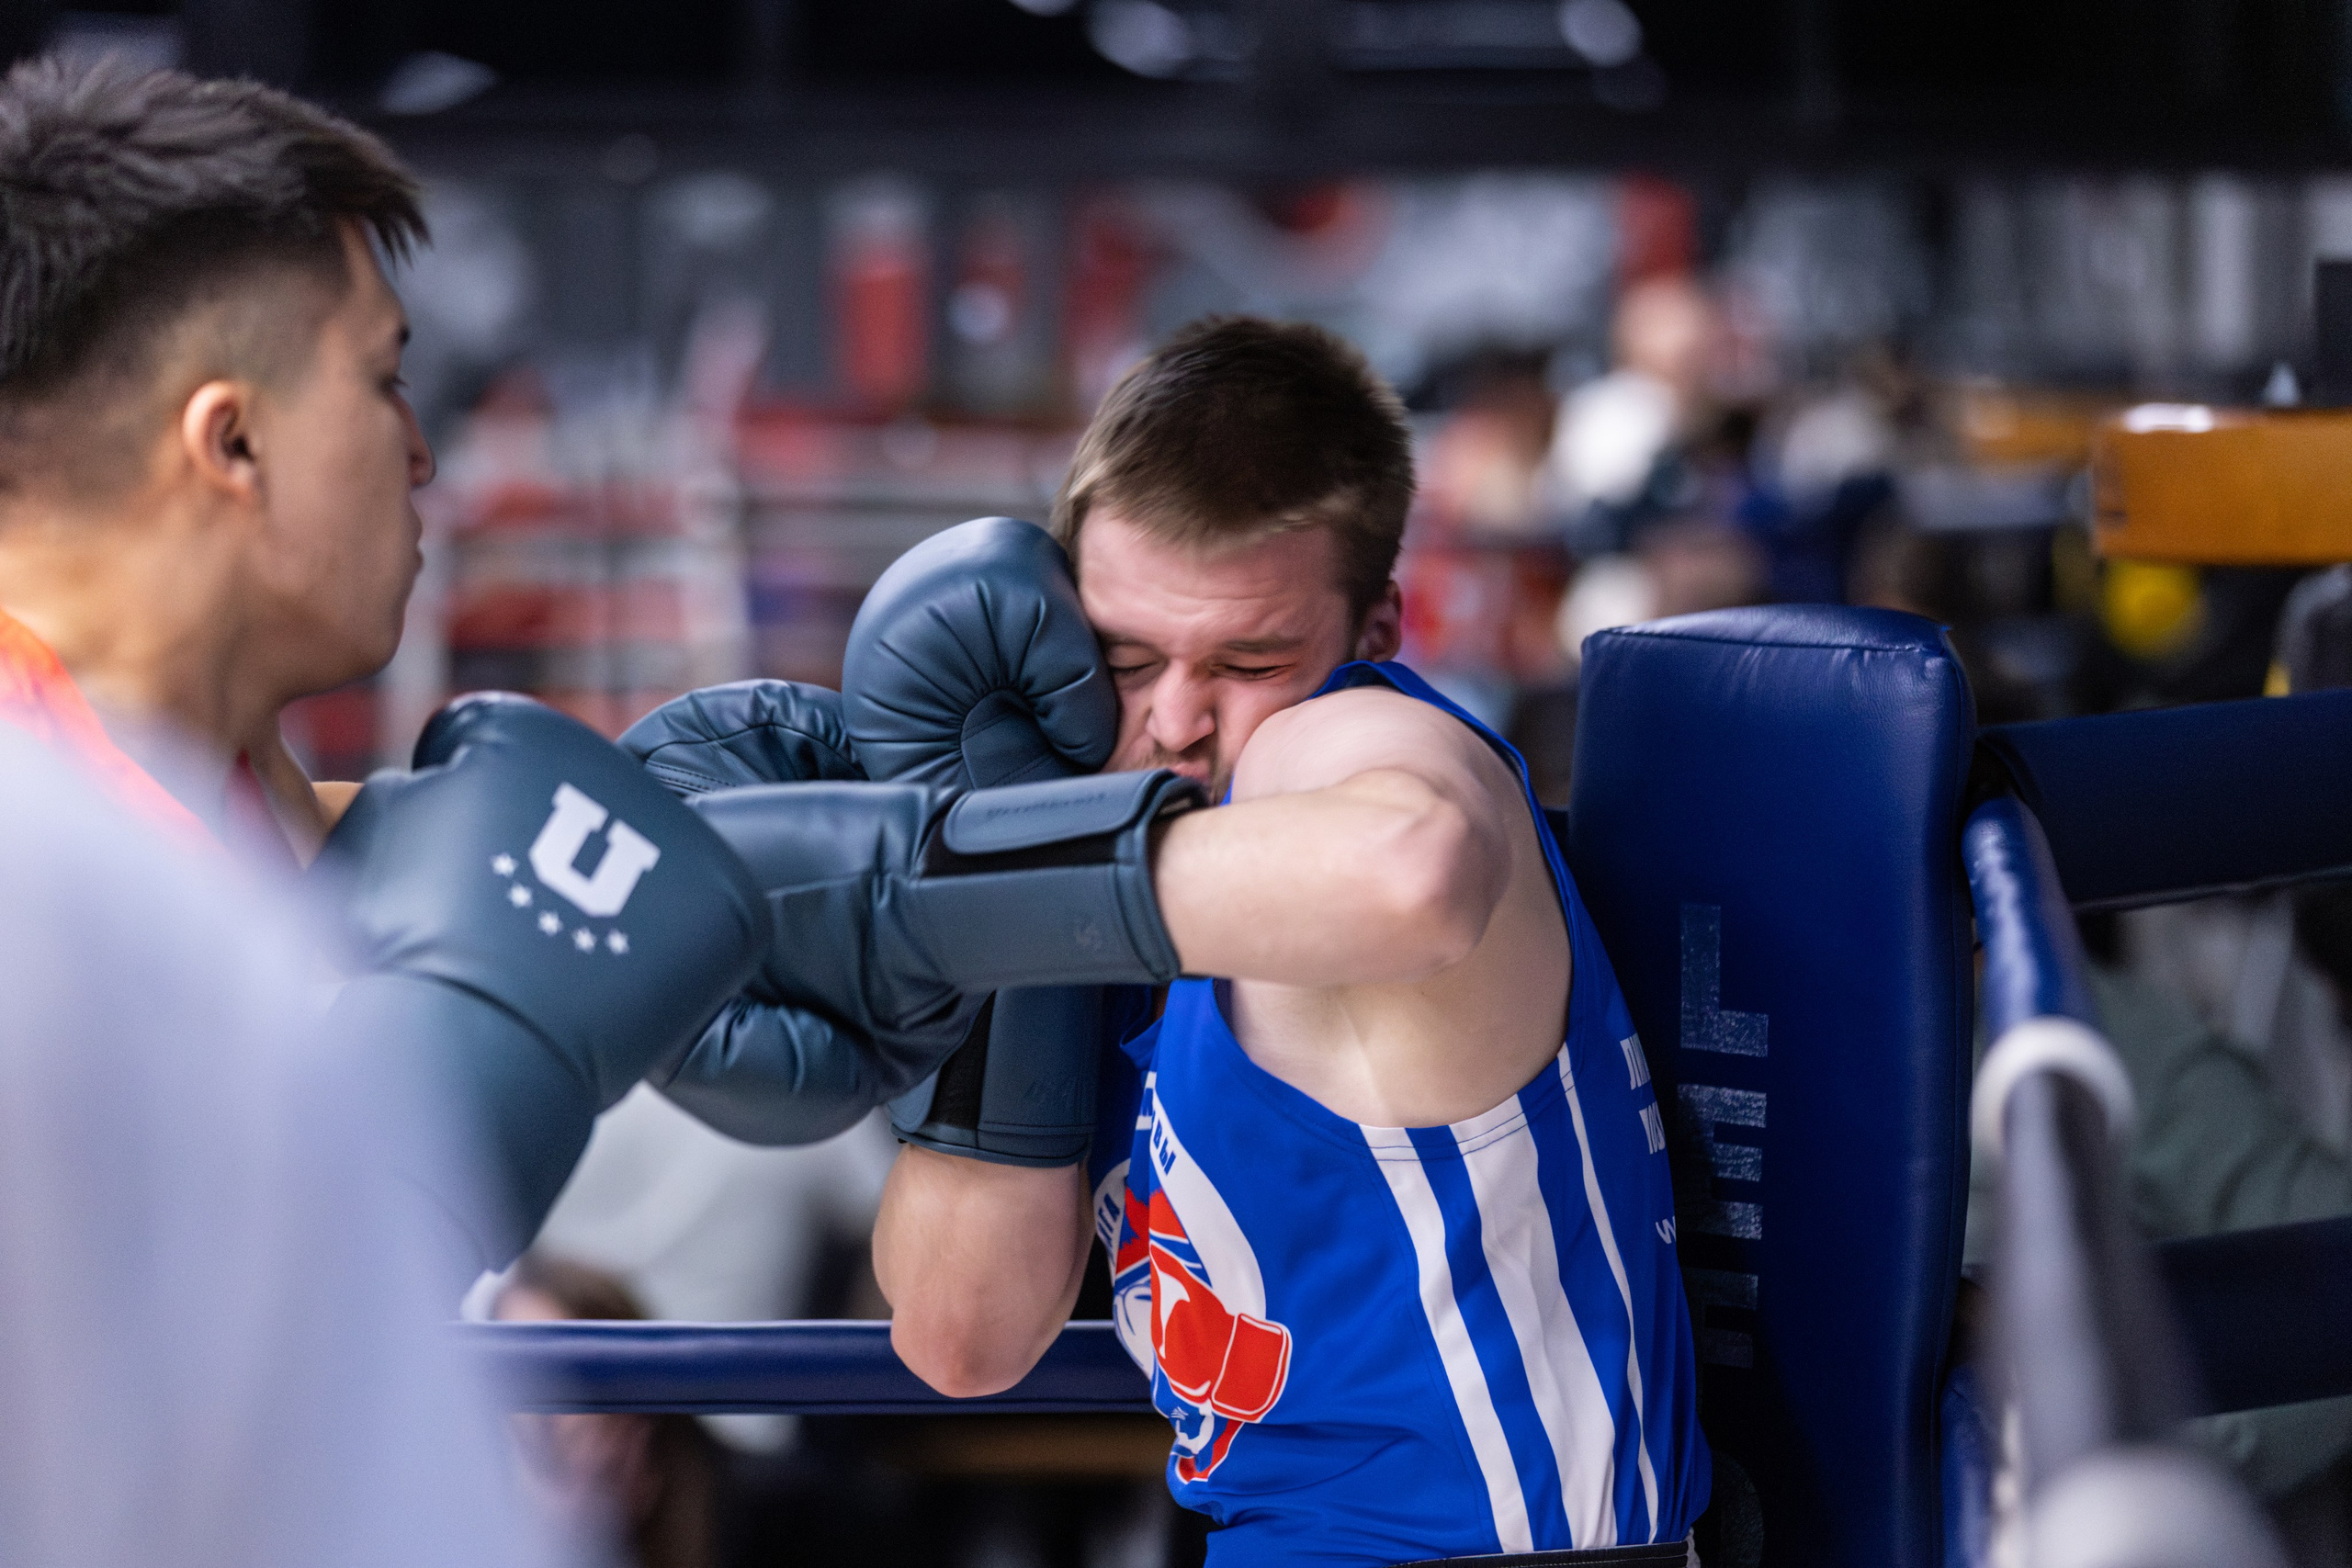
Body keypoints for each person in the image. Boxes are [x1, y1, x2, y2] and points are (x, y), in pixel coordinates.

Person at [791, 318, 1711, 1565]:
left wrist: (967, 884)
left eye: (1250, 658)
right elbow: (961, 1336)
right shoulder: (1119, 869)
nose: (1175, 717)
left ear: (1374, 628)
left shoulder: (1337, 744)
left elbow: (1411, 869)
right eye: (1121, 656)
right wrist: (1002, 866)